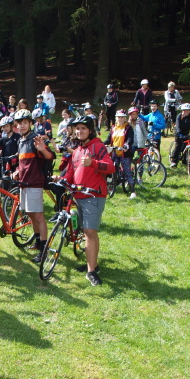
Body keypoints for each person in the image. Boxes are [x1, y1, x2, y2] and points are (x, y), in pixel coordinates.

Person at [61, 116, 112, 286]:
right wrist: (61, 179)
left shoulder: (97, 146)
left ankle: (91, 272)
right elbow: (71, 171)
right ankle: (93, 265)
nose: (79, 131)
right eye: (77, 128)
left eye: (83, 128)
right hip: (79, 195)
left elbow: (111, 167)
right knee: (88, 232)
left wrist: (93, 163)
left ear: (90, 130)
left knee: (90, 231)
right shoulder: (77, 150)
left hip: (94, 195)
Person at [11, 109, 55, 263]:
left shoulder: (35, 139)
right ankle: (37, 242)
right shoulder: (21, 140)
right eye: (19, 123)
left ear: (30, 123)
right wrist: (17, 171)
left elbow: (50, 156)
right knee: (30, 214)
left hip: (34, 183)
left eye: (25, 122)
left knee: (38, 216)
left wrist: (43, 150)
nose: (22, 125)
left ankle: (44, 250)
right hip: (24, 183)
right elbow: (22, 162)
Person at [106, 109, 136, 199]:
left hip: (124, 153)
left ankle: (133, 192)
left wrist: (126, 145)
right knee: (110, 169)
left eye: (122, 117)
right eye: (119, 117)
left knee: (127, 171)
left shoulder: (128, 128)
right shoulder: (113, 128)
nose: (120, 119)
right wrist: (101, 144)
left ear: (125, 118)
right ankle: (110, 186)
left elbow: (130, 139)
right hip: (114, 152)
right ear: (116, 118)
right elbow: (109, 139)